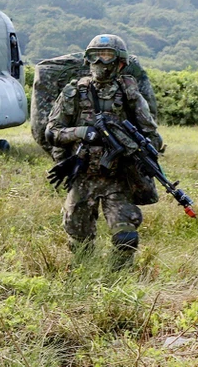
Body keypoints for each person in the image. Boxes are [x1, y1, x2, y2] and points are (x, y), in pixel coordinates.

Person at [45, 34, 161, 267]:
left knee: (125, 236)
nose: (100, 62)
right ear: (87, 60)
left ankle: (118, 278)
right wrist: (82, 133)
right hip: (82, 174)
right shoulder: (74, 92)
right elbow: (52, 132)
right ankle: (83, 276)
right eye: (95, 56)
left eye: (107, 56)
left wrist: (139, 154)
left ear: (119, 63)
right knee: (79, 237)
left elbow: (151, 134)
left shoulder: (129, 95)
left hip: (117, 177)